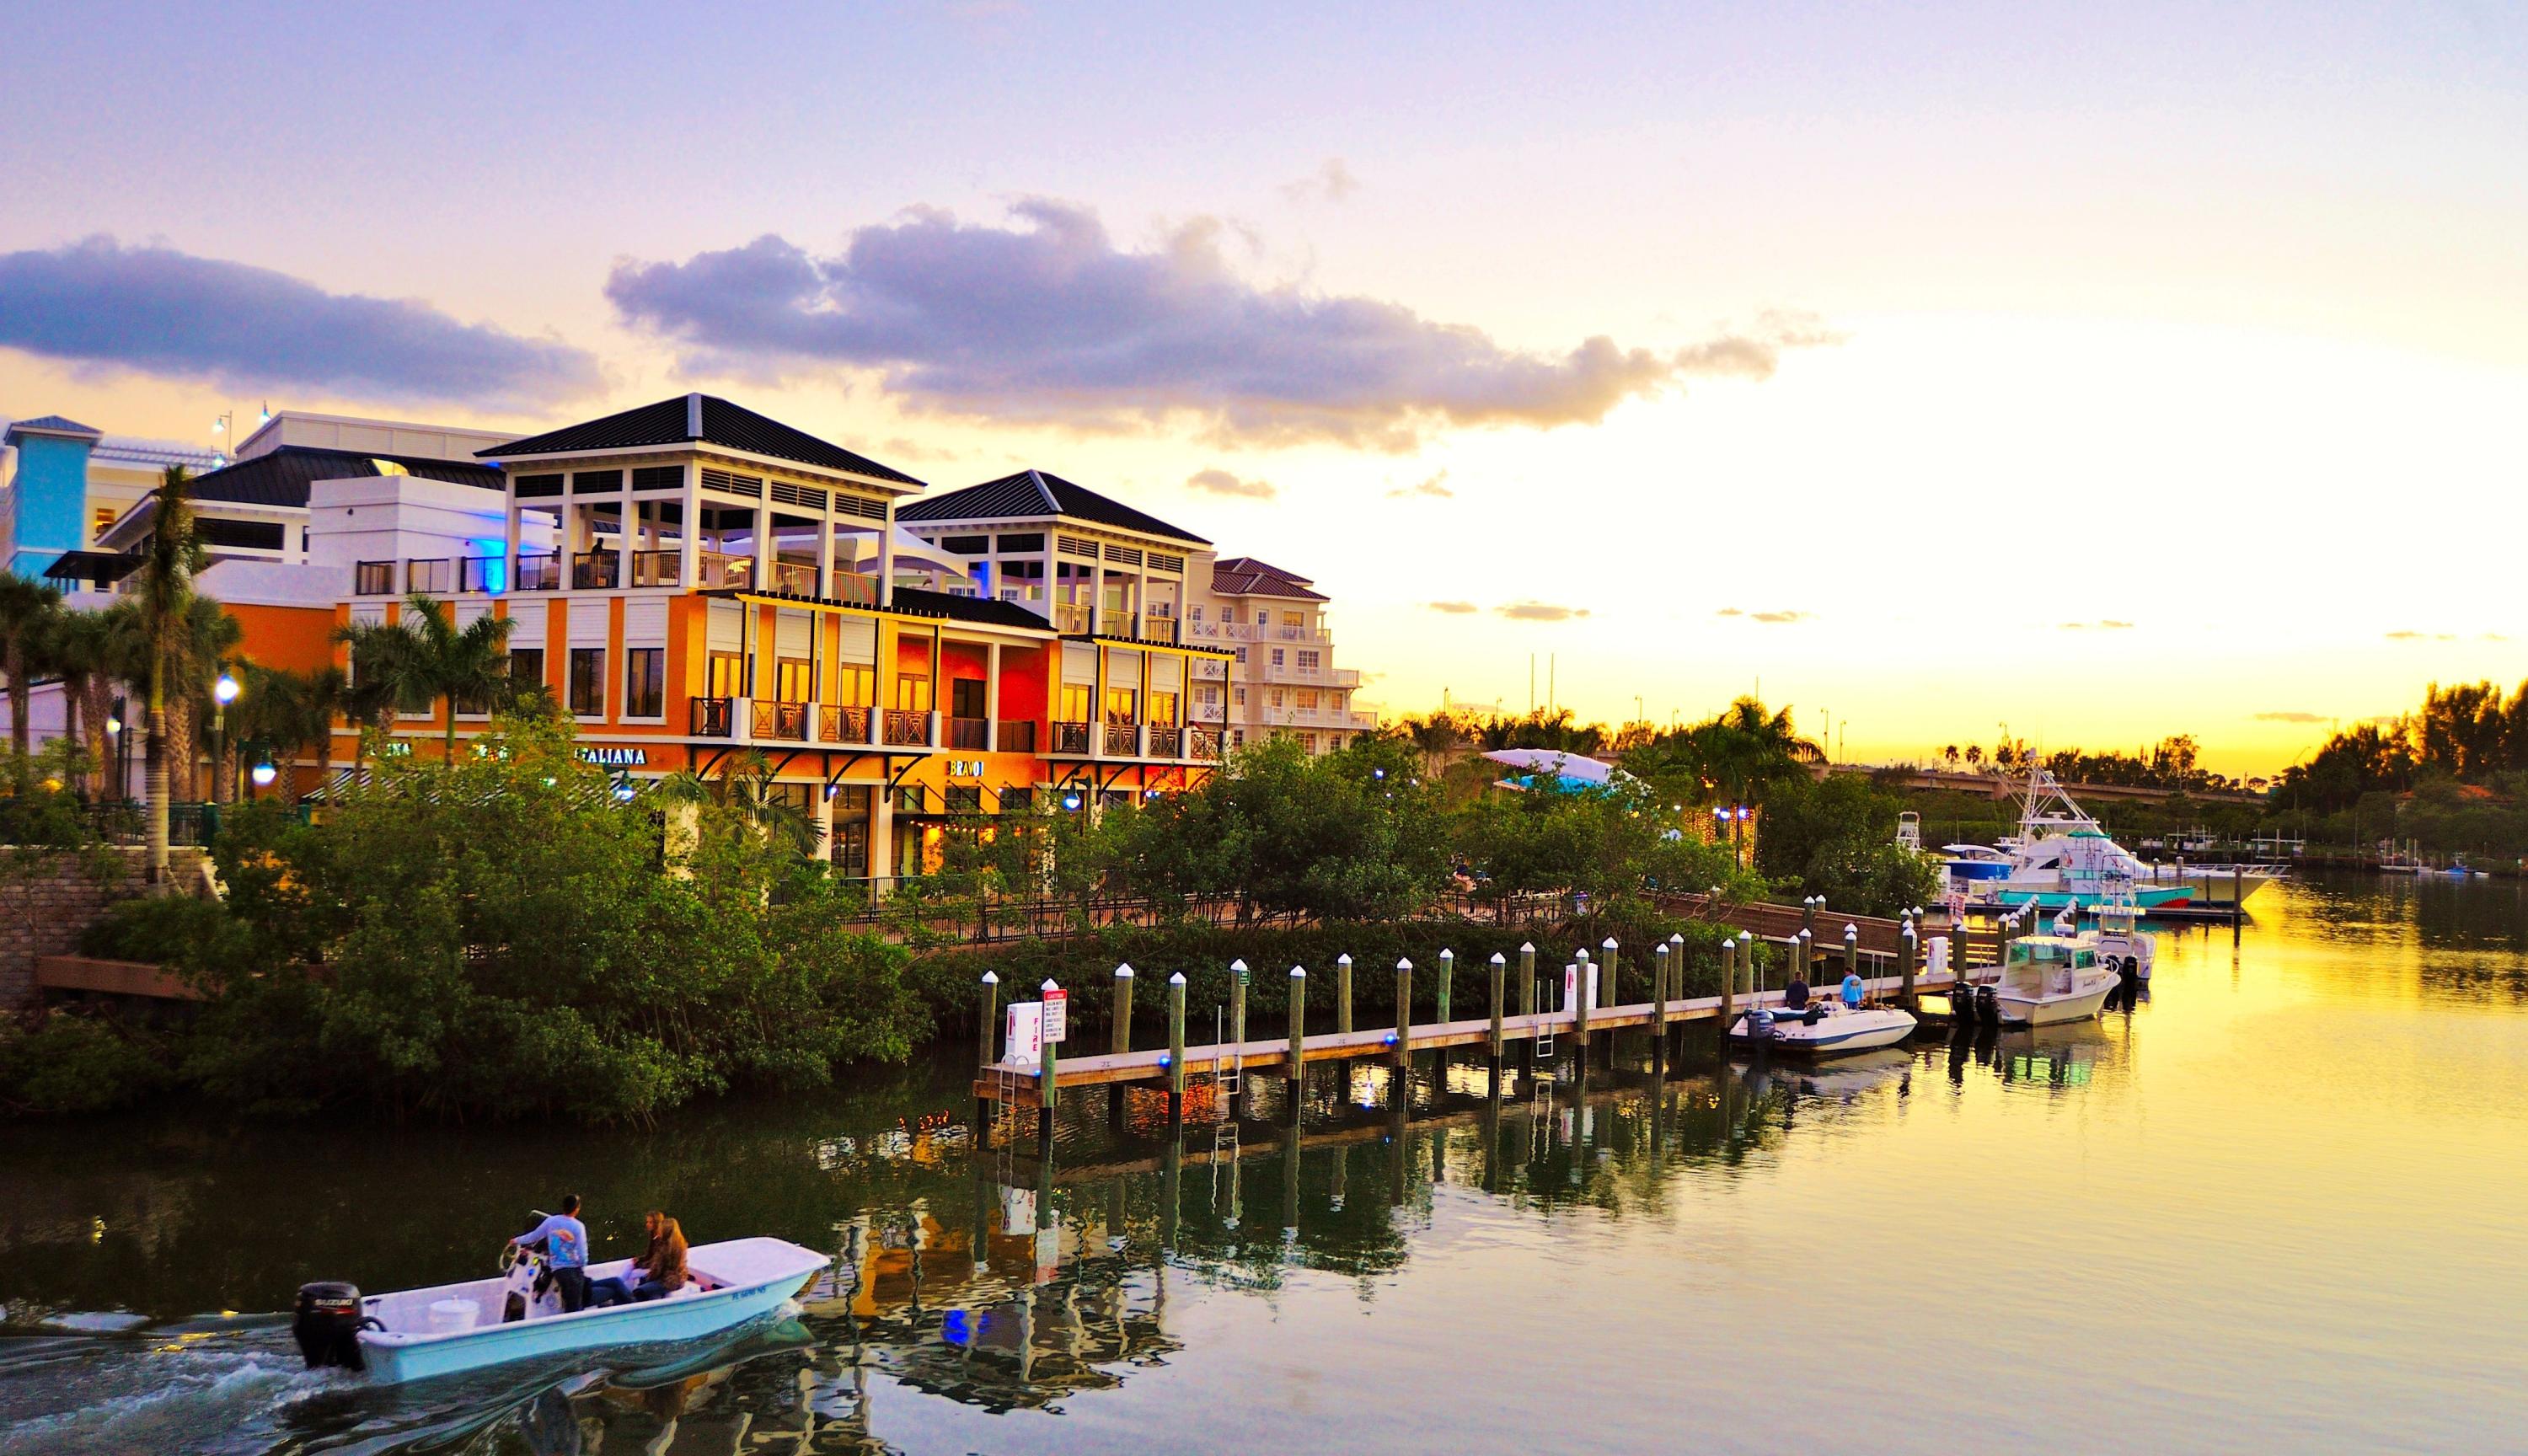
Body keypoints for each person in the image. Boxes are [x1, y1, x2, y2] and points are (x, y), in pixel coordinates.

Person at [589, 1212, 689, 1308]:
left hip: (668, 1281)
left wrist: (643, 1270)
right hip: (673, 1279)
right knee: (638, 1281)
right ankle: (619, 1298)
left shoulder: (664, 1248)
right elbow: (657, 1265)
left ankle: (624, 1303)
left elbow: (656, 1269)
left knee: (638, 1291)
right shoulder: (679, 1244)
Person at [511, 1195, 592, 1313]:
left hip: (557, 1269)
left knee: (569, 1300)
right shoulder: (578, 1227)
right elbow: (583, 1254)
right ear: (576, 1209)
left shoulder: (551, 1221)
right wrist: (582, 1265)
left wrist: (516, 1240)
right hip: (572, 1270)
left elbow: (534, 1236)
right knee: (574, 1307)